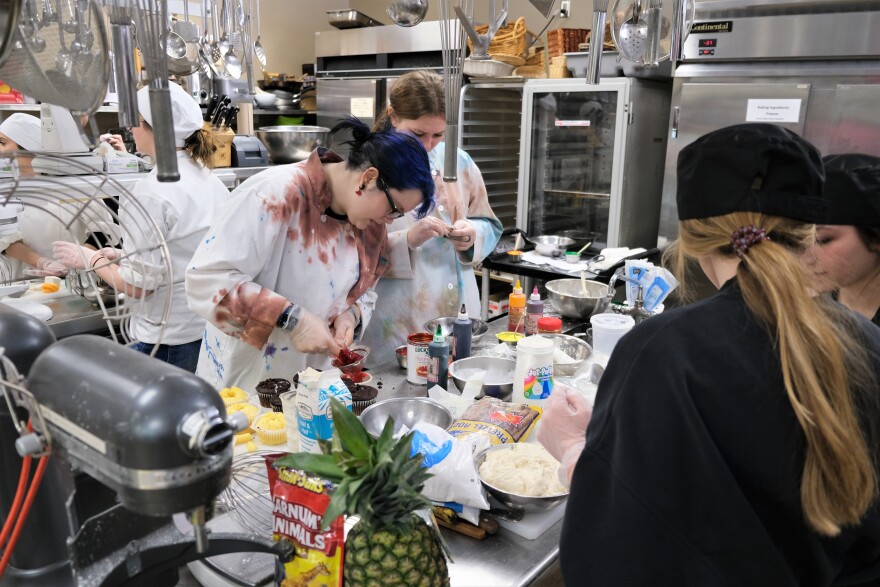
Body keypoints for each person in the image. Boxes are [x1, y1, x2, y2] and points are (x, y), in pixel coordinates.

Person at [538, 123, 880, 585]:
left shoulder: (661, 353)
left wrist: (572, 447)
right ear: (807, 233)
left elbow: (617, 552)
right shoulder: (867, 346)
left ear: (693, 241)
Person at [185, 116, 434, 391]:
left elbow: (366, 292)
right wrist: (292, 319)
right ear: (368, 178)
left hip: (316, 388)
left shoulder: (370, 227)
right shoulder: (274, 194)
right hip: (246, 385)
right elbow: (206, 281)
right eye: (394, 209)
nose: (391, 220)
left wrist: (351, 315)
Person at [52, 82, 228, 372]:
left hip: (166, 339)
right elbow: (183, 252)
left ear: (153, 129)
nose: (130, 130)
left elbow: (137, 288)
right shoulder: (210, 179)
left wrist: (90, 259)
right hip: (206, 329)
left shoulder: (150, 191)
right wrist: (122, 257)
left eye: (134, 123)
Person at [360, 70, 502, 358]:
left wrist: (473, 236)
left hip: (459, 306)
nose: (427, 144)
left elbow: (489, 223)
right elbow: (351, 251)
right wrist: (407, 240)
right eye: (418, 133)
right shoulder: (369, 165)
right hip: (399, 310)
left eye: (438, 134)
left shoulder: (458, 161)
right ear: (394, 116)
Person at [0, 113, 90, 280]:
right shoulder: (4, 186)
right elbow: (5, 240)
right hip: (26, 282)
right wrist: (43, 263)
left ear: (28, 150)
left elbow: (101, 231)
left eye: (2, 142)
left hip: (78, 281)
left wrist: (76, 262)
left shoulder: (70, 184)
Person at [803, 154, 880, 327]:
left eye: (823, 240)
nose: (806, 258)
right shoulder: (806, 313)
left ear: (876, 237)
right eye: (799, 241)